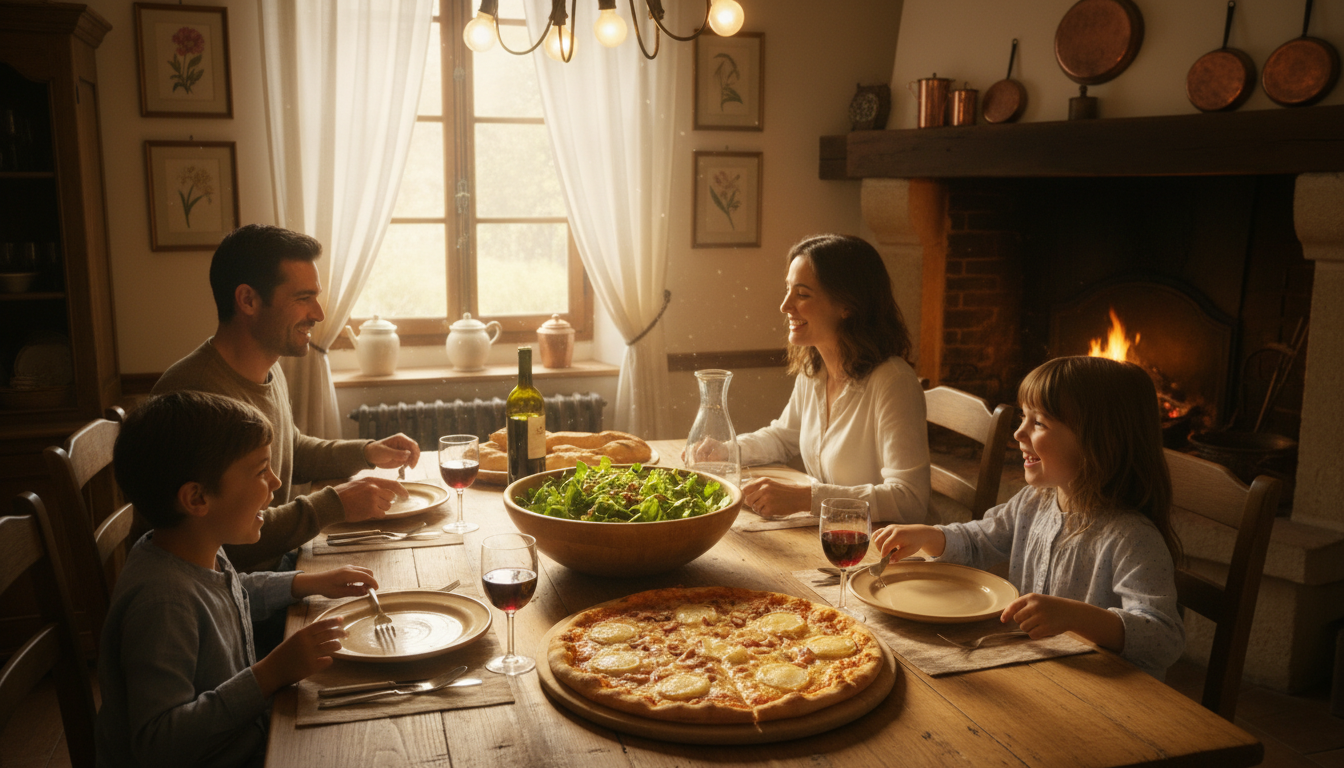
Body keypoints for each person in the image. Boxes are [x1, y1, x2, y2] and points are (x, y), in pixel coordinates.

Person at [97, 391, 377, 767]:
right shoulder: (162, 602)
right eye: (261, 471)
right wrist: (271, 673)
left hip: (248, 737)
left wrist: (305, 583)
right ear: (197, 499)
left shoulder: (190, 546)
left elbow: (231, 591)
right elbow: (157, 744)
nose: (276, 482)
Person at [872, 355, 1185, 679]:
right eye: (1023, 417)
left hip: (1104, 696)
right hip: (1035, 668)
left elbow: (1165, 638)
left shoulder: (1132, 538)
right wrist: (929, 535)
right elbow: (980, 541)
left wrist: (1077, 617)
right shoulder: (1035, 501)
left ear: (1100, 440)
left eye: (1039, 423)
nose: (1019, 433)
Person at [153, 224, 419, 572]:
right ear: (248, 300)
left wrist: (367, 452)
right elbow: (225, 545)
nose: (319, 314)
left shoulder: (267, 365)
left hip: (275, 567)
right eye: (302, 298)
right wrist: (333, 505)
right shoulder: (197, 398)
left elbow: (290, 447)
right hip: (234, 598)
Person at [725, 234, 931, 523]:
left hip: (878, 549)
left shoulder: (893, 382)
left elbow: (909, 500)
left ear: (848, 305)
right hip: (829, 533)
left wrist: (803, 499)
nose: (785, 306)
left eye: (802, 294)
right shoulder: (815, 369)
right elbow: (783, 437)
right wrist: (725, 451)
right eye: (788, 290)